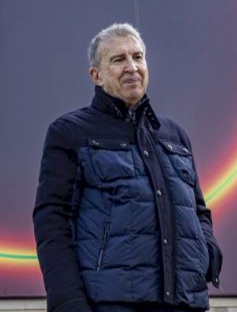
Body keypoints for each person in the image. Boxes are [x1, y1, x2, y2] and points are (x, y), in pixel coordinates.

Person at [33, 23, 222, 312]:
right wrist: (68, 303)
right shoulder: (70, 132)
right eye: (119, 59)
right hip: (111, 304)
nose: (132, 67)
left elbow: (198, 211)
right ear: (96, 76)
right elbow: (53, 223)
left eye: (138, 57)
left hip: (186, 301)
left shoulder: (174, 135)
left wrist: (206, 255)